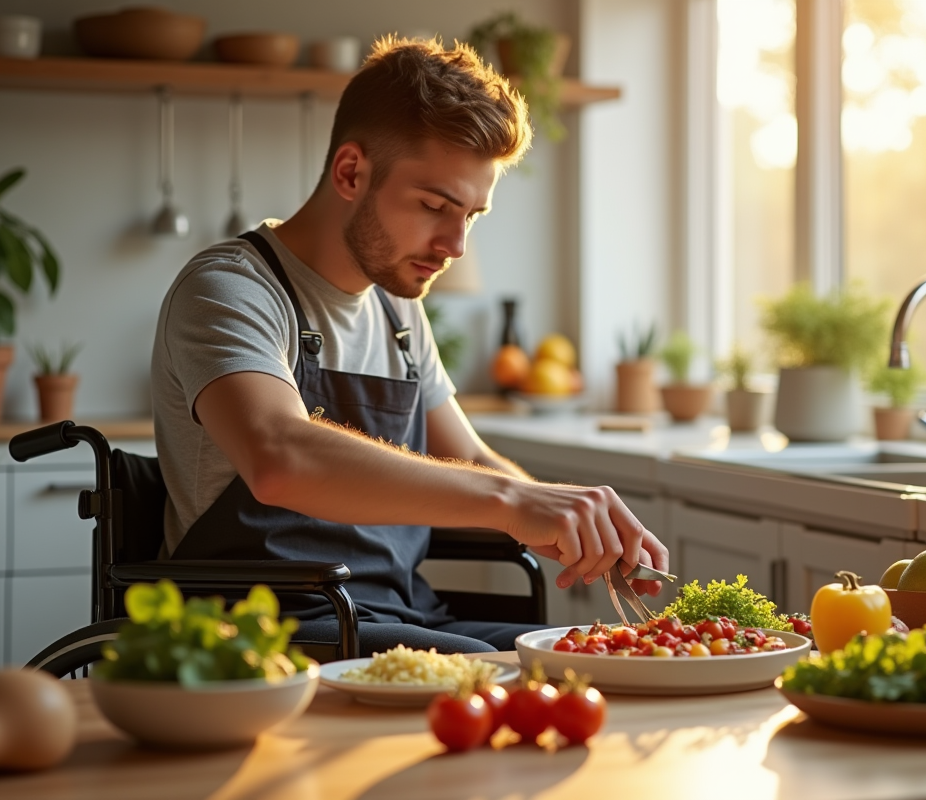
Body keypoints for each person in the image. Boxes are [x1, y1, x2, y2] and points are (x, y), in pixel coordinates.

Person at [150, 35, 669, 656]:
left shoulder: (398, 311)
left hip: (396, 618)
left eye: (472, 215)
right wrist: (512, 502)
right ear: (350, 172)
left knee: (605, 654)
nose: (455, 245)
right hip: (262, 632)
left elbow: (469, 458)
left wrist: (576, 526)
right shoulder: (230, 289)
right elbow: (278, 455)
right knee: (509, 676)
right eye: (433, 205)